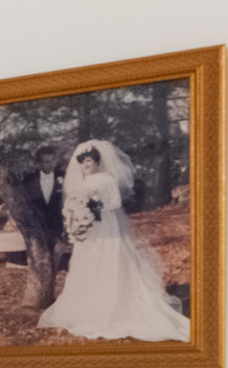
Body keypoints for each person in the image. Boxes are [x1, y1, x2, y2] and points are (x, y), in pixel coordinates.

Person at [39, 139, 190, 342]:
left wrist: (94, 206)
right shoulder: (82, 181)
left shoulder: (107, 179)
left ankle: (113, 308)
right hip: (88, 231)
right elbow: (73, 203)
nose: (86, 165)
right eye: (83, 162)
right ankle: (86, 309)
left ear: (97, 162)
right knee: (87, 264)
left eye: (89, 161)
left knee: (107, 261)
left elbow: (116, 202)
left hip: (106, 227)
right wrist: (77, 216)